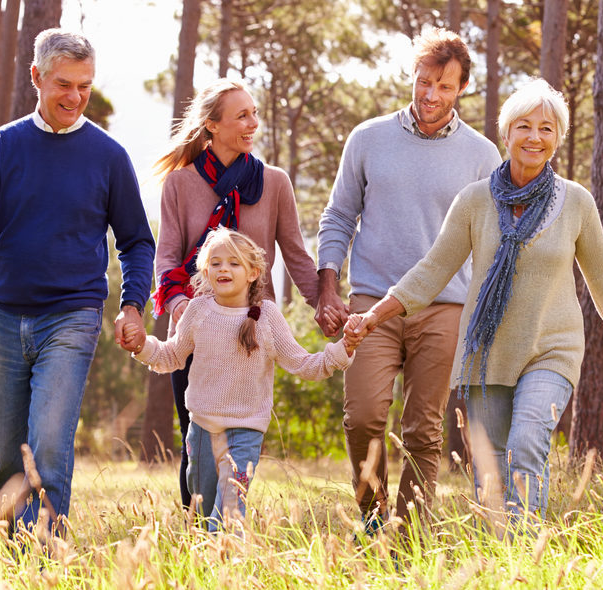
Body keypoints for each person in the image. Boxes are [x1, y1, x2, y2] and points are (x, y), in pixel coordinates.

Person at [345, 79, 603, 524]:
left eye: (546, 128)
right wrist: (375, 314)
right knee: (491, 465)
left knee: (527, 441)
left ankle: (525, 547)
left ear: (558, 138)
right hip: (489, 351)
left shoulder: (575, 202)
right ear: (506, 133)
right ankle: (503, 559)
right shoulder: (475, 201)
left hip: (552, 348)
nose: (535, 137)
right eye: (524, 126)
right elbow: (433, 269)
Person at [0, 29, 155, 532]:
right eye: (64, 84)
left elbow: (136, 241)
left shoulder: (108, 156)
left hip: (73, 316)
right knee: (11, 455)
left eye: (84, 86)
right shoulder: (1, 146)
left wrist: (131, 305)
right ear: (36, 77)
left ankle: (47, 556)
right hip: (3, 319)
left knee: (50, 444)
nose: (75, 97)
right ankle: (15, 558)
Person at [315, 28, 502, 527]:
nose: (430, 96)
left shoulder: (483, 156)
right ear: (412, 78)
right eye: (423, 82)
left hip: (445, 306)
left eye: (444, 86)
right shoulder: (368, 138)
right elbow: (338, 216)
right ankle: (373, 519)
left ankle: (411, 532)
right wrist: (327, 286)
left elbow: (491, 241)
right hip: (371, 302)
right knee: (363, 416)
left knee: (423, 430)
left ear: (461, 88)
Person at [152, 78, 320, 509]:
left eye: (255, 113)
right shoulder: (179, 184)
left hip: (252, 329)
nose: (253, 123)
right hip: (198, 329)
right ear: (212, 125)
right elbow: (167, 258)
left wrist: (324, 303)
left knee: (241, 442)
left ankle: (228, 527)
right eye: (242, 115)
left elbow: (297, 254)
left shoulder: (275, 183)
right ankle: (196, 534)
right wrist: (184, 309)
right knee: (196, 440)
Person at [128, 228, 357, 530]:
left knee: (228, 514)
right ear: (205, 271)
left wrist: (344, 348)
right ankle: (207, 569)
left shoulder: (267, 317)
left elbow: (304, 364)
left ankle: (228, 568)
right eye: (216, 263)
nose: (224, 269)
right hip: (202, 431)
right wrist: (142, 346)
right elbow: (171, 356)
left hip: (245, 433)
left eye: (234, 263)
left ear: (253, 272)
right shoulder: (197, 311)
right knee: (203, 511)